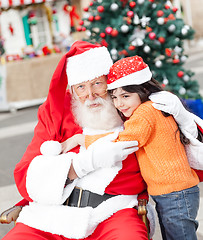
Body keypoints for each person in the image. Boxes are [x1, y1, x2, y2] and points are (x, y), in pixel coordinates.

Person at [2, 41, 202, 240]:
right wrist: (83, 164)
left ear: (110, 83)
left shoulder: (130, 107)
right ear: (72, 90)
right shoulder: (57, 113)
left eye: (97, 83)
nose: (90, 95)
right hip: (51, 215)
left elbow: (182, 144)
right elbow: (25, 174)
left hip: (113, 211)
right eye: (81, 87)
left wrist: (184, 118)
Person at [62, 55, 203, 240]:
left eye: (126, 96)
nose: (119, 104)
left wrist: (83, 139)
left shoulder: (144, 114)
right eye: (115, 97)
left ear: (143, 90)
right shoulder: (151, 108)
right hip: (173, 192)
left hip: (175, 193)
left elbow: (123, 141)